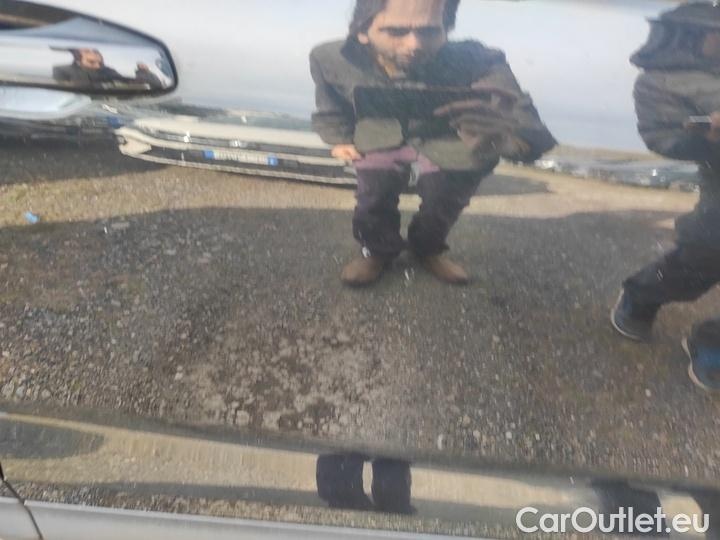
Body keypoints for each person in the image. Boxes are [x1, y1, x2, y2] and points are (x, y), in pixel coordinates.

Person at [310, 0, 555, 287]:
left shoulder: (479, 60)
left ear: (446, 28)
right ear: (362, 31)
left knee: (446, 196)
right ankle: (376, 250)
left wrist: (512, 139)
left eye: (429, 31)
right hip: (379, 132)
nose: (414, 44)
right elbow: (331, 105)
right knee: (374, 191)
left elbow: (523, 118)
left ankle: (426, 248)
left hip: (448, 136)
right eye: (396, 31)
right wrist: (339, 138)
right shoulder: (329, 58)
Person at [611, 2, 720, 392]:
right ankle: (640, 295)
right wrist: (708, 138)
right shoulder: (658, 81)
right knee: (703, 257)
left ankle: (713, 341)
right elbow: (660, 137)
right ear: (690, 34)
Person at [53, 48, 125, 87]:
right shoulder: (61, 70)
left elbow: (126, 81)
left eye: (100, 63)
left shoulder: (107, 71)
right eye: (91, 62)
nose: (97, 66)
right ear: (78, 59)